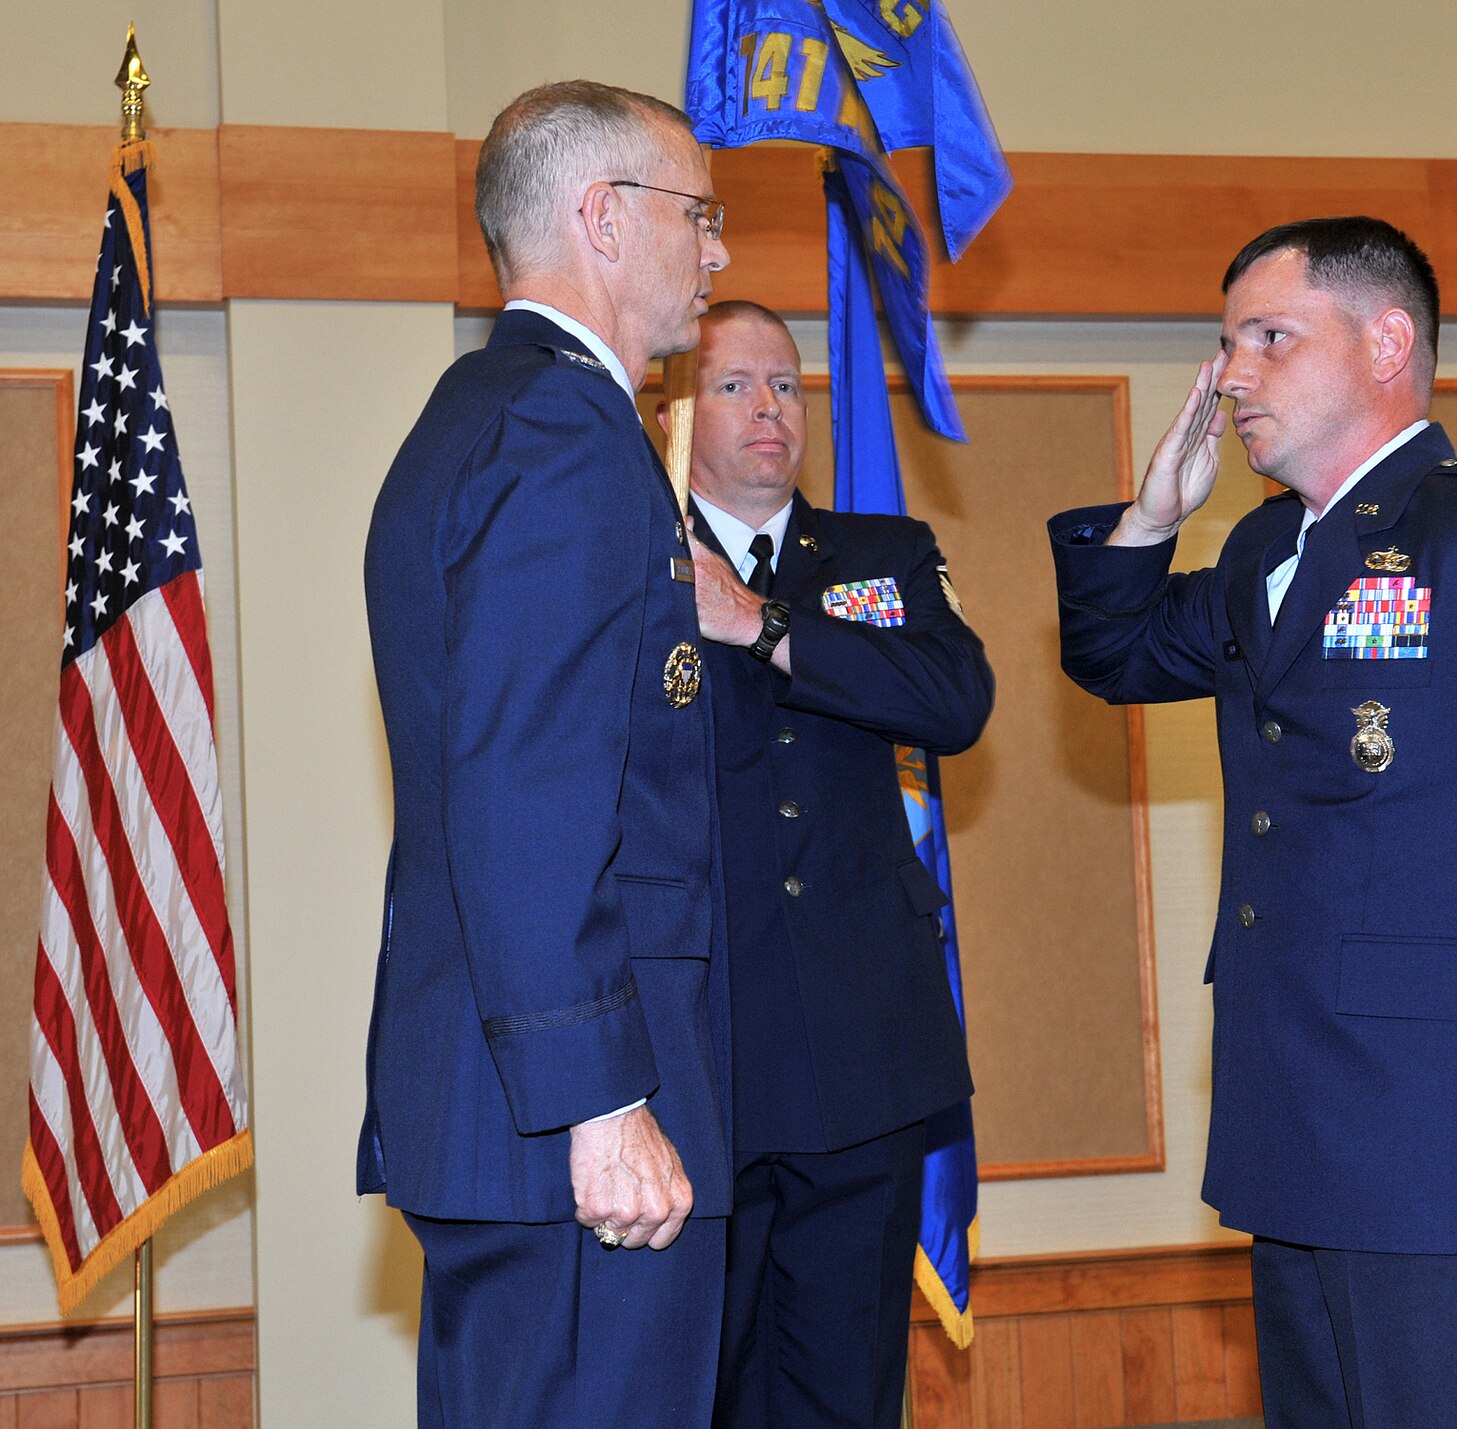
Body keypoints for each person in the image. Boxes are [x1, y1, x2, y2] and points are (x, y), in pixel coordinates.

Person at [1046, 217, 1457, 1427]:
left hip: (1456, 1135)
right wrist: (1149, 518)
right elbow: (1115, 653)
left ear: (1385, 340)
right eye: (1225, 343)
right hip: (1297, 1125)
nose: (1230, 374)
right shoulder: (1262, 551)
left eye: (1269, 337)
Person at [358, 80, 732, 1427]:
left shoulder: (470, 415)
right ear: (604, 218)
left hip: (504, 1115)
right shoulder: (566, 433)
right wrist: (602, 1102)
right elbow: (532, 786)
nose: (718, 250)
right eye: (701, 213)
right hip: (573, 1130)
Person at [666, 300, 993, 1429]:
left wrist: (760, 622)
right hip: (705, 1052)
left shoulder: (880, 555)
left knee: (848, 1393)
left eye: (784, 385)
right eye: (733, 386)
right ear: (676, 407)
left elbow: (956, 701)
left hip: (868, 1056)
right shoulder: (634, 560)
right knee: (704, 1386)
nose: (769, 409)